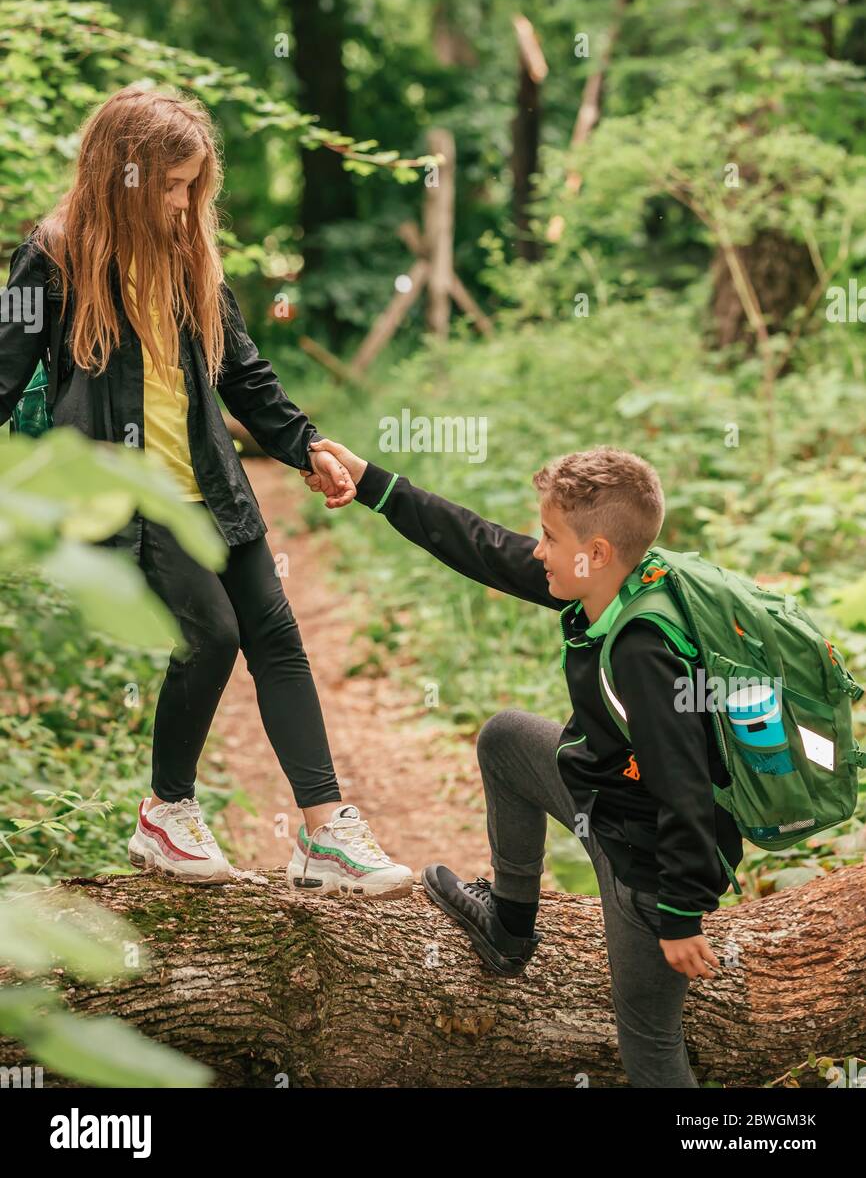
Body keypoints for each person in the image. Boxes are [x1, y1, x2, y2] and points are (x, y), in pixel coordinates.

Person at [0, 83, 412, 899]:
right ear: (122, 175)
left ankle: (327, 831)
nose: (186, 202)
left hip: (211, 486)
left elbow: (242, 370)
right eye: (172, 184)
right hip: (129, 499)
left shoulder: (189, 256)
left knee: (278, 638)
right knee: (212, 634)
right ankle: (166, 811)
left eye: (194, 185)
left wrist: (307, 448)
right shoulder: (48, 258)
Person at [302, 438, 744, 1087]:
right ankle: (509, 928)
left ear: (594, 555)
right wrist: (373, 483)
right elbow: (481, 545)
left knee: (649, 1042)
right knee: (506, 739)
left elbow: (687, 793)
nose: (536, 549)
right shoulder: (609, 583)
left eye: (547, 536)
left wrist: (678, 917)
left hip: (644, 865)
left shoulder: (644, 653)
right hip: (600, 799)